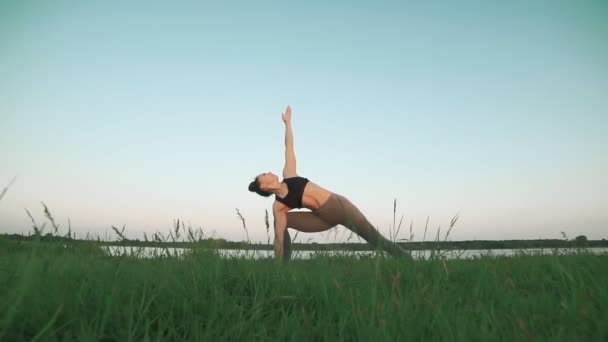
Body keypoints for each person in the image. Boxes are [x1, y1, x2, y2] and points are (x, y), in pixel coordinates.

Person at [248, 105, 410, 261]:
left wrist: (288, 124)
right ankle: (283, 267)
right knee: (281, 224)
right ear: (264, 186)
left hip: (341, 208)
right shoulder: (278, 206)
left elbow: (289, 146)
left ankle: (407, 261)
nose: (268, 172)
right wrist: (276, 264)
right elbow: (278, 238)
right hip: (321, 219)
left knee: (376, 240)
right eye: (264, 174)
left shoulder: (289, 175)